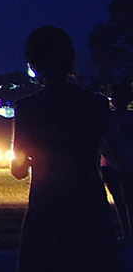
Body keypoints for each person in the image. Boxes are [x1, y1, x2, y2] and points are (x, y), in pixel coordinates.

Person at [11, 25, 133, 272]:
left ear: (34, 65)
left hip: (46, 210)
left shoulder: (28, 109)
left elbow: (19, 169)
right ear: (71, 61)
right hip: (90, 210)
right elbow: (126, 160)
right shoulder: (96, 106)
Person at [100, 82, 133, 241]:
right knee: (120, 199)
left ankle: (128, 233)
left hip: (124, 162)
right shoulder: (111, 117)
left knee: (126, 198)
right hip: (111, 163)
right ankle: (126, 232)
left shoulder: (124, 118)